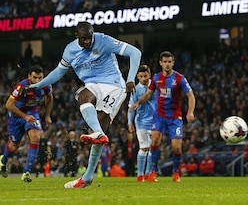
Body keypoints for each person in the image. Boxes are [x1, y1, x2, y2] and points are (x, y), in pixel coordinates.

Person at [24, 21, 141, 188]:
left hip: (115, 86)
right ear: (76, 36)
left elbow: (134, 52)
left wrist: (130, 78)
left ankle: (87, 175)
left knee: (98, 132)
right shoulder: (70, 50)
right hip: (93, 86)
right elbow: (58, 72)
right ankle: (97, 138)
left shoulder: (103, 40)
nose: (87, 42)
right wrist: (38, 85)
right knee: (82, 96)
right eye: (84, 39)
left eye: (89, 38)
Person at [132, 51, 196, 182]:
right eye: (165, 62)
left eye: (169, 62)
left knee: (176, 147)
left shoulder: (179, 79)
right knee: (154, 140)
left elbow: (191, 96)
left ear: (173, 63)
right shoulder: (156, 78)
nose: (167, 64)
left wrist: (190, 112)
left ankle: (176, 172)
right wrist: (139, 102)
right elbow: (149, 94)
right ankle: (153, 171)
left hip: (174, 117)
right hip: (159, 116)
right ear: (161, 63)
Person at [0, 65, 53, 182]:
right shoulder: (22, 86)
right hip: (16, 116)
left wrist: (48, 115)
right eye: (35, 78)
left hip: (32, 113)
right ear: (29, 77)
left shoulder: (45, 85)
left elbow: (49, 97)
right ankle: (3, 160)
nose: (38, 81)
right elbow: (8, 105)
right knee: (14, 146)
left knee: (35, 137)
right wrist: (25, 116)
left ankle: (27, 172)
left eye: (40, 78)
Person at [127, 64, 156, 182]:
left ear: (149, 75)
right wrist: (130, 122)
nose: (144, 78)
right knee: (144, 147)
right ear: (137, 77)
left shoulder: (156, 87)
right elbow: (131, 107)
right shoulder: (135, 90)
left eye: (145, 75)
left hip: (156, 121)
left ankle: (149, 175)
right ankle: (140, 175)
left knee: (153, 148)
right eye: (141, 76)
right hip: (141, 122)